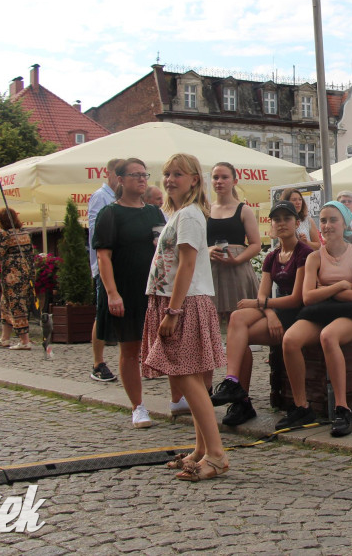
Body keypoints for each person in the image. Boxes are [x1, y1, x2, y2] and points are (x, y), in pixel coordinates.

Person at [143, 153, 227, 482]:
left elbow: (188, 266)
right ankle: (202, 449)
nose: (169, 179)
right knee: (188, 379)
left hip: (184, 304)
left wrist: (173, 312)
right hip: (181, 302)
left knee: (187, 378)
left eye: (178, 174)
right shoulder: (181, 214)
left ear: (194, 180)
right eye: (166, 174)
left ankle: (217, 455)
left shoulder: (189, 215)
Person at [209, 201, 312, 425]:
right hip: (278, 311)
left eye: (287, 218)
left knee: (241, 322)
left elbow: (298, 298)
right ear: (271, 225)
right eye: (277, 219)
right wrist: (270, 312)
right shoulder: (272, 256)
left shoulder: (305, 253)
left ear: (297, 223)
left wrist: (265, 305)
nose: (281, 223)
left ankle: (246, 398)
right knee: (237, 319)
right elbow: (263, 296)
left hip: (300, 314)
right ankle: (235, 387)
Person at [280, 200, 352, 437]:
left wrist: (325, 287)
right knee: (289, 339)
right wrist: (340, 284)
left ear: (344, 224)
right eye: (323, 220)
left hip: (349, 314)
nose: (327, 225)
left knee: (328, 336)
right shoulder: (314, 257)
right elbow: (307, 297)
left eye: (333, 220)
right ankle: (301, 406)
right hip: (318, 312)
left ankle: (342, 407)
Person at [93, 158, 166, 428]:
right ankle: (138, 406)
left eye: (144, 174)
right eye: (134, 175)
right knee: (130, 348)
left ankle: (179, 399)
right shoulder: (110, 213)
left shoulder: (154, 213)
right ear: (120, 179)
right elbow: (103, 257)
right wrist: (112, 293)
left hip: (152, 289)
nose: (141, 179)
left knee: (167, 343)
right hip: (124, 289)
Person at [207, 162, 261, 325]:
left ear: (234, 181)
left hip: (237, 269)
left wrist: (237, 260)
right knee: (210, 321)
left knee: (238, 321)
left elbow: (256, 244)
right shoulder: (205, 210)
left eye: (224, 177)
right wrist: (208, 250)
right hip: (211, 268)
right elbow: (198, 243)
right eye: (216, 177)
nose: (219, 181)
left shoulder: (244, 210)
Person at [0, 208, 36, 350]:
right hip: (26, 274)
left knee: (16, 305)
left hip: (12, 276)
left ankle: (24, 340)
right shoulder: (25, 233)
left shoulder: (5, 235)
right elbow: (31, 254)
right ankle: (5, 338)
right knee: (5, 304)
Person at [88, 158, 124, 382]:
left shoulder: (123, 199)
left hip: (123, 265)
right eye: (118, 173)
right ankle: (98, 362)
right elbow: (96, 235)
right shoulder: (100, 197)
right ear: (108, 173)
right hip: (105, 265)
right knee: (103, 314)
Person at [281, 187, 321, 251]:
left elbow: (318, 245)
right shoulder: (281, 222)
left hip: (307, 258)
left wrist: (306, 242)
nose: (298, 202)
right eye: (294, 200)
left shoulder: (307, 220)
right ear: (286, 202)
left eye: (300, 199)